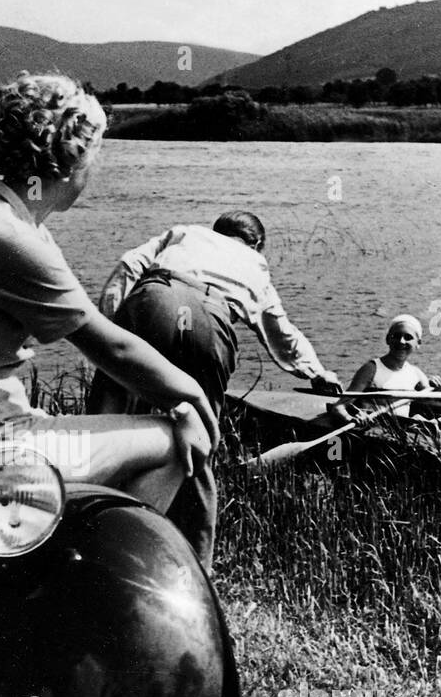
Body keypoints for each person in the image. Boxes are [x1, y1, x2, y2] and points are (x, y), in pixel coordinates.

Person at [0, 73, 217, 513]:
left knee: (157, 428)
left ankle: (76, 543)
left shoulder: (6, 221)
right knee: (173, 439)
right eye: (94, 156)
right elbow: (112, 348)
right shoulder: (8, 235)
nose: (95, 170)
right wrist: (193, 398)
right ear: (69, 163)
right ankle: (117, 563)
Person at [86, 212, 340, 570]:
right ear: (255, 243)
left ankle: (87, 531)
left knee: (104, 422)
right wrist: (317, 373)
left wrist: (107, 329)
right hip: (209, 322)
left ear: (217, 230)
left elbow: (129, 265)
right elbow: (281, 332)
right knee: (198, 446)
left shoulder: (185, 233)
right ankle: (193, 564)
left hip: (155, 299)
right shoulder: (256, 263)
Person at [328, 314, 441, 426]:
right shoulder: (371, 369)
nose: (401, 341)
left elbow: (435, 402)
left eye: (408, 337)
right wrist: (351, 419)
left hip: (402, 431)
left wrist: (440, 388)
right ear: (388, 339)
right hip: (375, 430)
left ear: (418, 343)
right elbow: (339, 407)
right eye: (396, 336)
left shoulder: (416, 374)